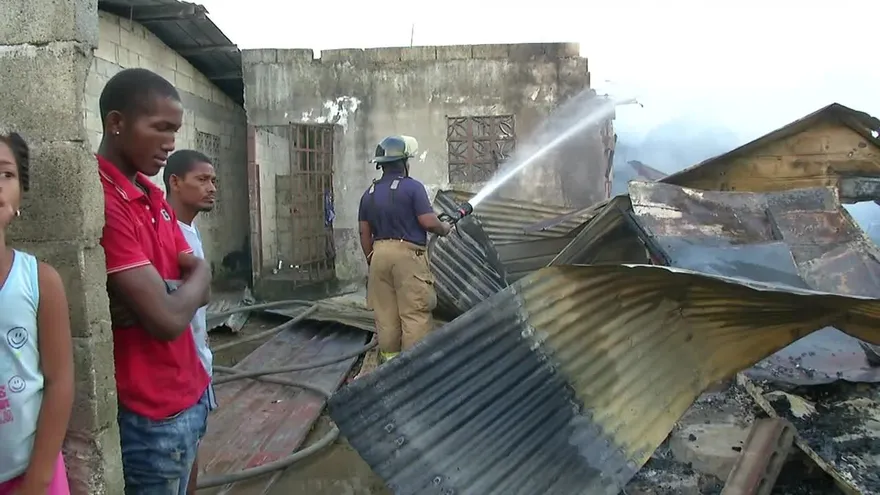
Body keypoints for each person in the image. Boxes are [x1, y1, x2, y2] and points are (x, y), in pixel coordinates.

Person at [96, 68, 212, 494]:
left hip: (192, 390)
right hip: (150, 414)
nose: (170, 143)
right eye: (159, 128)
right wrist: (181, 289)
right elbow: (165, 320)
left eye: (175, 130)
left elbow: (197, 280)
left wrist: (190, 279)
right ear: (116, 122)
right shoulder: (104, 198)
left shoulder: (152, 195)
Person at [0, 132, 74, 495]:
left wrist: (38, 480)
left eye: (5, 174)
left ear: (19, 196)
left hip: (31, 476)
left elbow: (59, 381)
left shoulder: (39, 281)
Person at [358, 135, 452, 362]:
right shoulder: (412, 188)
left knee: (386, 316)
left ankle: (390, 363)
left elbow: (363, 232)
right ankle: (414, 369)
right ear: (404, 162)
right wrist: (445, 227)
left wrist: (372, 257)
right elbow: (428, 222)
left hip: (378, 255)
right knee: (415, 313)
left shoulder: (368, 194)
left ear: (381, 164)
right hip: (407, 257)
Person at [162, 150, 218, 495]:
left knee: (193, 452)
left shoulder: (190, 231)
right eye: (202, 180)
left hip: (199, 365)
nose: (211, 188)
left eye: (213, 180)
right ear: (175, 182)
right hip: (176, 376)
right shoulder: (167, 233)